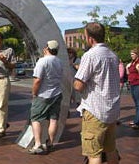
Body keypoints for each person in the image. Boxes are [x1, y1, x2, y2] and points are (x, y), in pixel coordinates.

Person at [73, 22, 120, 164]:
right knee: (110, 150)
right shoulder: (113, 55)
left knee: (94, 153)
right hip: (111, 110)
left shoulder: (90, 55)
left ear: (90, 39)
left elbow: (78, 86)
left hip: (95, 110)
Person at [28, 40, 63, 154]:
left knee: (35, 118)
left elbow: (37, 80)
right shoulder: (59, 61)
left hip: (43, 95)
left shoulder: (42, 61)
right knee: (53, 118)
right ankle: (50, 143)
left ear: (46, 48)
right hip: (57, 94)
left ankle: (38, 144)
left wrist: (34, 93)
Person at [126, 48, 139, 129]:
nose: (131, 56)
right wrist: (127, 68)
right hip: (132, 84)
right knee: (136, 104)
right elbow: (128, 73)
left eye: (133, 54)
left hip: (137, 84)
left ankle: (137, 122)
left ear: (137, 54)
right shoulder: (132, 63)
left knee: (138, 104)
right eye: (131, 54)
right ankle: (137, 120)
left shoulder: (138, 63)